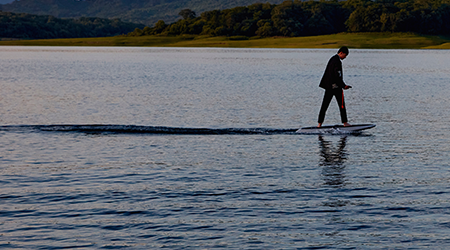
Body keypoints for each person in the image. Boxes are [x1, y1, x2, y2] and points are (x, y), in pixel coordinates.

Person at [317, 46, 352, 128]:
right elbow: (337, 76)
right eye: (345, 55)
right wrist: (344, 86)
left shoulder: (332, 59)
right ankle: (345, 123)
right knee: (342, 105)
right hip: (335, 87)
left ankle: (319, 124)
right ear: (341, 53)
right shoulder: (337, 61)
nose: (345, 57)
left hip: (329, 87)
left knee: (324, 106)